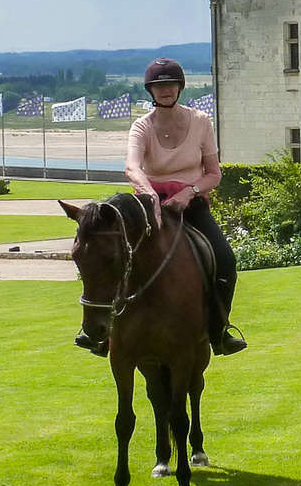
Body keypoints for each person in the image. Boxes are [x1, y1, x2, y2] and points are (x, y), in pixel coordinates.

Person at [83, 57, 246, 358]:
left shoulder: (200, 121)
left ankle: (219, 329)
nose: (165, 90)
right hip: (147, 205)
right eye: (158, 86)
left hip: (190, 205)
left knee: (225, 259)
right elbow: (132, 167)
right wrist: (150, 196)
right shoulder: (141, 126)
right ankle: (98, 331)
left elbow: (214, 172)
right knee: (107, 256)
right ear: (150, 91)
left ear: (180, 87)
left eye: (170, 84)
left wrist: (189, 192)